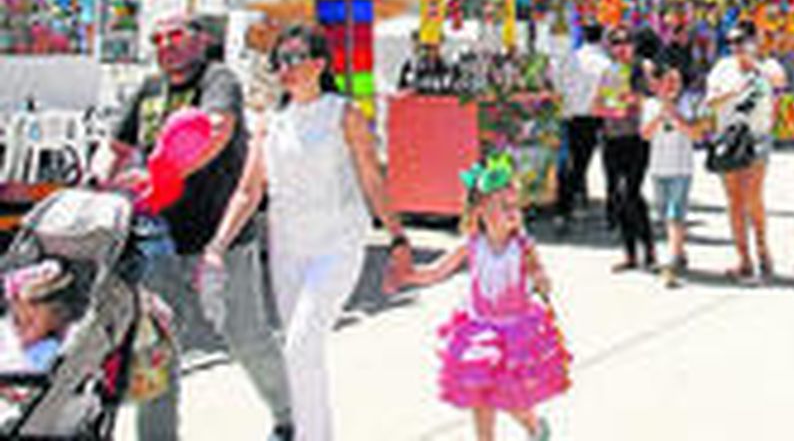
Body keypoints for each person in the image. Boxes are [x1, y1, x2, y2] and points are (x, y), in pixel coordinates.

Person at [205, 24, 412, 441]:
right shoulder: (269, 123)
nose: (287, 68)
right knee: (300, 353)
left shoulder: (344, 113)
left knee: (301, 344)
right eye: (280, 61)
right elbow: (249, 191)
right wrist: (217, 245)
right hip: (288, 247)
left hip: (337, 241)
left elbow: (372, 179)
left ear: (320, 64)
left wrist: (397, 238)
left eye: (296, 58)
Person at [91, 14, 293, 441]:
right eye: (158, 38)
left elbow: (217, 131)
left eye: (176, 36)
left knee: (246, 336)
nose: (166, 45)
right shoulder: (147, 90)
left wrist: (165, 175)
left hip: (222, 240)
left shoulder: (218, 81)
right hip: (156, 242)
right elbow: (114, 149)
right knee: (156, 349)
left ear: (202, 40)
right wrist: (97, 182)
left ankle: (290, 414)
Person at [385, 156, 569, 441]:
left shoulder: (522, 245)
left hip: (515, 332)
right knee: (480, 398)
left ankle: (534, 426)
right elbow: (436, 271)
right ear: (481, 211)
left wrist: (542, 281)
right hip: (479, 331)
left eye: (515, 207)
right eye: (504, 207)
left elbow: (538, 273)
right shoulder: (471, 244)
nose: (513, 213)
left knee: (513, 400)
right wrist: (408, 276)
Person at [705, 23, 786, 280]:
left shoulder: (769, 68)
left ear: (755, 41)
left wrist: (757, 69)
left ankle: (763, 250)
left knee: (753, 196)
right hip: (728, 139)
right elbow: (709, 100)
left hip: (756, 137)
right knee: (734, 200)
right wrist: (732, 91)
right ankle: (743, 258)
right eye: (731, 42)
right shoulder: (722, 69)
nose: (736, 47)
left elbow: (779, 90)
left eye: (741, 41)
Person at [595, 28, 653, 272]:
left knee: (631, 192)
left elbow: (641, 99)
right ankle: (630, 252)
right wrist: (614, 106)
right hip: (611, 138)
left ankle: (648, 246)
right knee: (618, 196)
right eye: (616, 42)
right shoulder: (608, 71)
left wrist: (621, 101)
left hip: (636, 137)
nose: (621, 47)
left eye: (626, 42)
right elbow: (597, 104)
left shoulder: (641, 68)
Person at [641, 67, 703, 289]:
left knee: (675, 214)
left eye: (675, 81)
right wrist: (660, 115)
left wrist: (675, 114)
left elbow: (696, 133)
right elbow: (645, 134)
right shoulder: (650, 105)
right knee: (664, 214)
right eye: (667, 81)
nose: (671, 86)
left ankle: (671, 263)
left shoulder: (688, 103)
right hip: (658, 168)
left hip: (681, 168)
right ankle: (679, 250)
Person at [553, 25, 610, 234]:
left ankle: (568, 204)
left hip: (570, 115)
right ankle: (568, 205)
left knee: (571, 160)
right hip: (593, 117)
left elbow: (558, 84)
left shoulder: (572, 60)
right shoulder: (605, 63)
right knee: (581, 163)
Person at [0, 260, 81, 374]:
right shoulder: (12, 345)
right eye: (16, 320)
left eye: (30, 322)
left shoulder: (70, 341)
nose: (18, 330)